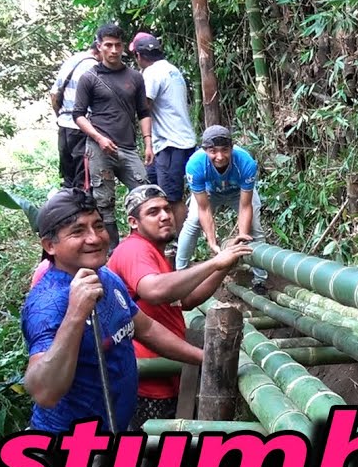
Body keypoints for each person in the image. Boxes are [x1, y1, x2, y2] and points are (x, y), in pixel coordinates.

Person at [7, 188, 201, 467]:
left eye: (97, 226)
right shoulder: (50, 302)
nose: (94, 238)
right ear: (49, 245)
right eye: (78, 231)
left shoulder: (108, 279)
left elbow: (145, 326)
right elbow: (43, 390)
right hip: (64, 454)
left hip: (113, 446)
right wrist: (76, 313)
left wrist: (204, 360)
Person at [108, 184, 253, 428]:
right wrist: (215, 263)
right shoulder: (134, 250)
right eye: (153, 212)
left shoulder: (155, 253)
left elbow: (187, 299)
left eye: (166, 209)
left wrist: (225, 264)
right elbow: (154, 290)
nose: (165, 216)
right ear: (134, 222)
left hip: (165, 372)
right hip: (146, 379)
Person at [72, 23, 153, 249]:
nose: (114, 50)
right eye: (108, 45)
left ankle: (144, 246)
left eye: (118, 45)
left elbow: (143, 111)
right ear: (99, 47)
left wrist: (148, 143)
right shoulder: (89, 78)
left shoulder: (135, 77)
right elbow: (78, 115)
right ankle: (112, 252)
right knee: (103, 201)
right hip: (99, 148)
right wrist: (98, 138)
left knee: (144, 193)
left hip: (127, 147)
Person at [176, 125, 268, 291]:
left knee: (255, 228)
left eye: (225, 150)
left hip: (238, 192)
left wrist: (242, 236)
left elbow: (245, 206)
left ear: (232, 148)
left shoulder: (245, 162)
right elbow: (203, 209)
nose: (219, 156)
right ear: (205, 150)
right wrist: (212, 241)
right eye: (213, 151)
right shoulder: (195, 165)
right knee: (193, 221)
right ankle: (179, 273)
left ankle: (260, 279)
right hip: (210, 191)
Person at [129, 32, 196, 230]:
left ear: (139, 56)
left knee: (171, 198)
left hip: (169, 144)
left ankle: (180, 243)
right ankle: (166, 239)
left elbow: (144, 106)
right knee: (155, 191)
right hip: (180, 141)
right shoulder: (172, 69)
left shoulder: (151, 73)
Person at [48, 42, 99, 188]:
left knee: (68, 180)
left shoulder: (72, 60)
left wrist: (60, 116)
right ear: (99, 50)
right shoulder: (94, 67)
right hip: (82, 128)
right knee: (83, 180)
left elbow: (54, 94)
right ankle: (82, 209)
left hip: (64, 126)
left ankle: (67, 209)